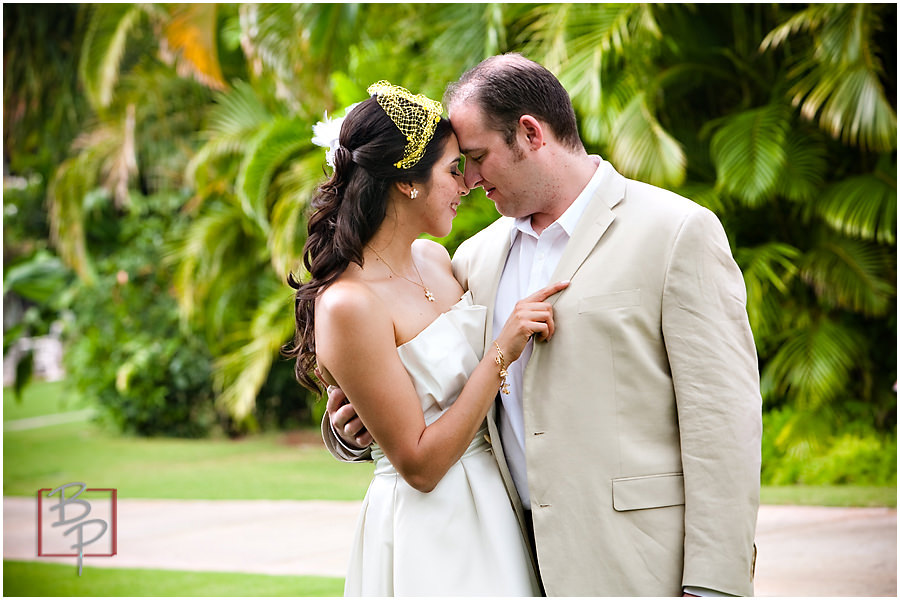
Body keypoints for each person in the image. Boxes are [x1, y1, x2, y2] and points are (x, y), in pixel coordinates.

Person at [324, 55, 763, 596]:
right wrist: (350, 428)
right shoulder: (471, 258)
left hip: (637, 565)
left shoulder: (674, 233)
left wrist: (715, 586)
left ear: (529, 133)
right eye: (460, 163)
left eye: (478, 157)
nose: (472, 178)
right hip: (499, 554)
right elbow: (428, 384)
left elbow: (723, 426)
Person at [286, 80, 569, 596]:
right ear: (406, 182)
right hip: (429, 529)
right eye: (453, 170)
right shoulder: (349, 304)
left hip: (497, 503)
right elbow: (418, 465)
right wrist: (502, 351)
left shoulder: (438, 262)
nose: (466, 186)